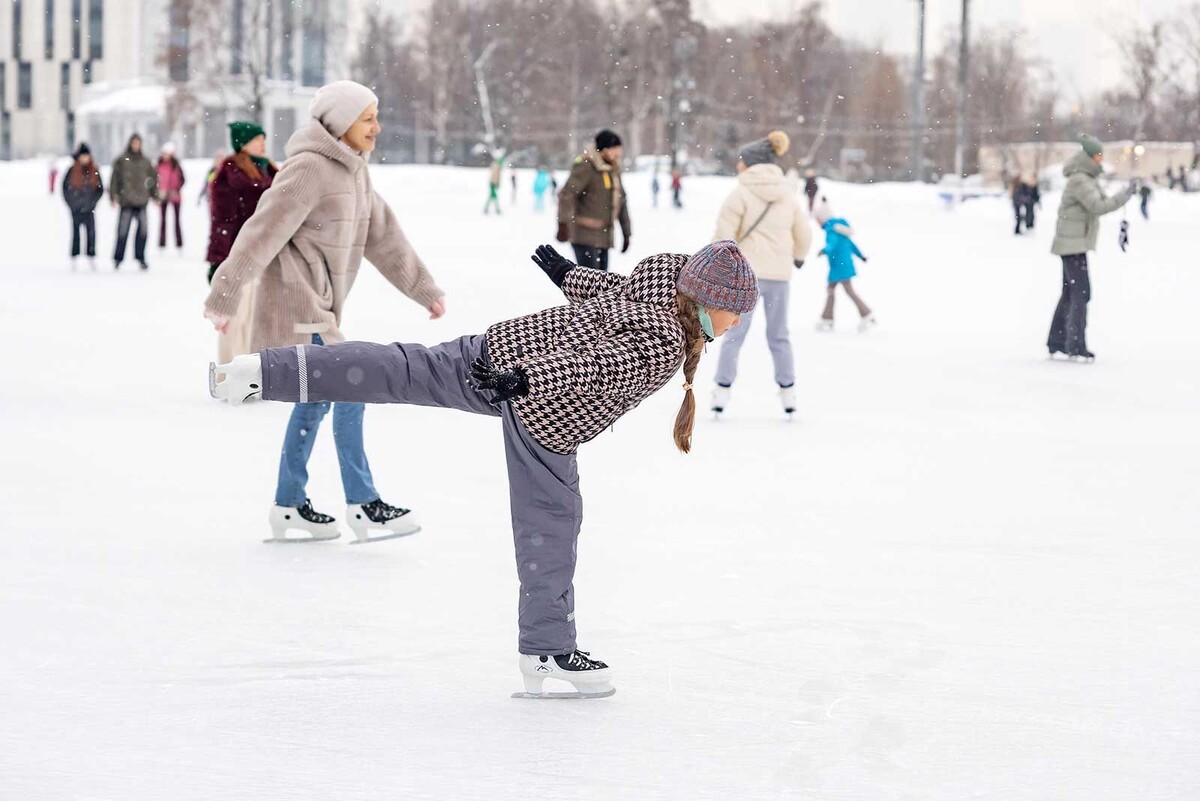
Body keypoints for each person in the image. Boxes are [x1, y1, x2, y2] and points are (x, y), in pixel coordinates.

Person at [210, 240, 758, 698]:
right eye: (735, 312)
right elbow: (595, 364)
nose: (735, 324)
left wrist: (569, 276)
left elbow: (612, 294)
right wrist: (527, 381)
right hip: (544, 408)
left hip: (499, 348)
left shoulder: (663, 283)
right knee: (552, 520)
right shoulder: (664, 342)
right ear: (708, 301)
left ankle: (264, 371)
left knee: (401, 368)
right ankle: (547, 652)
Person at [204, 80, 447, 544]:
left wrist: (423, 289)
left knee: (317, 401)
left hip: (323, 308)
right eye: (368, 118)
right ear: (341, 122)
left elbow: (384, 236)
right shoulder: (310, 169)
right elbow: (261, 231)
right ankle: (363, 504)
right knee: (353, 381)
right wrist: (224, 296)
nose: (377, 126)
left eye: (376, 116)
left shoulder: (355, 172)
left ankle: (289, 503)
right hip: (297, 305)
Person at [710, 131, 812, 418]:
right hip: (779, 276)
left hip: (746, 278)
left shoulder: (740, 194)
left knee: (734, 333)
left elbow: (723, 237)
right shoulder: (788, 196)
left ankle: (721, 390)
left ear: (751, 163)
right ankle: (788, 391)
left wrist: (720, 269)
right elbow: (803, 232)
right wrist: (799, 256)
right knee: (779, 335)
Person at [1047, 134, 1134, 362]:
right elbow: (1097, 206)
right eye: (1096, 156)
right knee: (1081, 292)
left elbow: (1100, 201)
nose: (1099, 160)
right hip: (1072, 245)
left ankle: (1057, 341)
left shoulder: (1086, 178)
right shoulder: (1079, 180)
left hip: (1074, 244)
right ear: (1087, 157)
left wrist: (1120, 195)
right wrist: (1124, 196)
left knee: (1071, 292)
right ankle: (1075, 344)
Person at [206, 121, 279, 369]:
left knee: (261, 317)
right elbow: (221, 222)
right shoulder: (229, 175)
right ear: (242, 144)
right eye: (257, 139)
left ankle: (255, 371)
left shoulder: (270, 171)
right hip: (238, 256)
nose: (262, 143)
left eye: (263, 138)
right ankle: (231, 371)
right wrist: (219, 261)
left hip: (268, 255)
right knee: (237, 318)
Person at [557, 129, 630, 271]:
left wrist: (626, 233)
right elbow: (567, 194)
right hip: (584, 236)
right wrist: (563, 223)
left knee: (602, 285)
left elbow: (621, 202)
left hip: (604, 237)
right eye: (615, 149)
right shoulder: (587, 166)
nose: (618, 154)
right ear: (604, 149)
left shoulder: (613, 171)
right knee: (590, 286)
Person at [813, 197, 874, 332]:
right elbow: (851, 245)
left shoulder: (831, 230)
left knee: (843, 290)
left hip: (838, 267)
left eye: (818, 218)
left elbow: (832, 244)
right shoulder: (840, 229)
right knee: (832, 290)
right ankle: (827, 317)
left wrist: (825, 250)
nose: (817, 222)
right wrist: (861, 255)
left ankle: (866, 314)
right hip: (843, 265)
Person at [109, 133, 158, 270]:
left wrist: (155, 197)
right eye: (134, 143)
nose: (136, 145)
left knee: (143, 231)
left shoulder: (145, 161)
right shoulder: (121, 160)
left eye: (138, 143)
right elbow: (114, 180)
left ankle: (140, 257)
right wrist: (113, 196)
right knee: (122, 231)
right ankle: (118, 259)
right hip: (126, 201)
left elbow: (153, 179)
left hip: (142, 201)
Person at [62, 143, 104, 270]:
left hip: (89, 207)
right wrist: (72, 203)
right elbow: (65, 188)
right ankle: (74, 257)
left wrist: (92, 202)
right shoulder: (72, 170)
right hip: (76, 208)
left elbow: (100, 189)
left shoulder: (94, 170)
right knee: (76, 234)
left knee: (91, 233)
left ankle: (91, 256)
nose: (84, 158)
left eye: (86, 156)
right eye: (83, 156)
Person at [156, 142, 186, 249]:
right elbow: (155, 180)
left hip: (175, 196)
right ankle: (162, 243)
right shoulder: (158, 166)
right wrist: (158, 193)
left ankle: (179, 243)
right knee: (163, 220)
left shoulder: (177, 166)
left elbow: (182, 180)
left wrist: (176, 190)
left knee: (177, 220)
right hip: (163, 196)